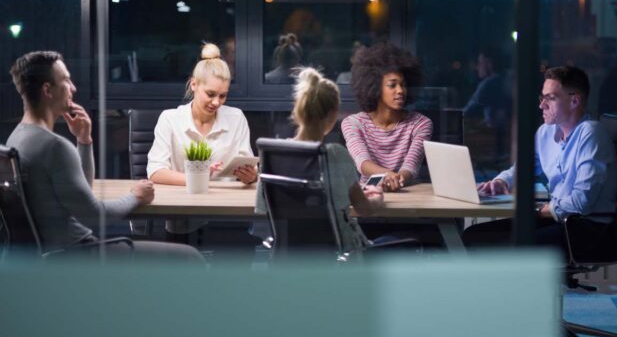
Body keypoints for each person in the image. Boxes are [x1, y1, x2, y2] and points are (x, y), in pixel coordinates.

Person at [6, 51, 203, 262]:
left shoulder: (16, 138)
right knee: (190, 257)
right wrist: (136, 196)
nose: (73, 88)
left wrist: (84, 140)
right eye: (66, 80)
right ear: (47, 90)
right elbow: (93, 215)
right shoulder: (55, 147)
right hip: (79, 254)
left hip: (53, 256)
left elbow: (82, 191)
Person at [462, 65, 617, 252]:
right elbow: (523, 169)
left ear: (574, 101)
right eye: (542, 98)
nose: (541, 105)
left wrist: (538, 211)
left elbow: (580, 202)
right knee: (474, 236)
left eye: (550, 98)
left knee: (500, 245)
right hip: (557, 220)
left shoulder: (591, 133)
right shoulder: (546, 132)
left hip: (586, 228)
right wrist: (501, 181)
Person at [256, 68, 383, 252]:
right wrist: (377, 197)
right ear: (332, 115)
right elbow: (364, 209)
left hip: (289, 260)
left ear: (299, 110)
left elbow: (262, 208)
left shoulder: (272, 154)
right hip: (340, 259)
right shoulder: (335, 155)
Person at [147, 43, 258, 236]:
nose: (216, 102)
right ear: (194, 84)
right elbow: (156, 172)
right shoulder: (170, 119)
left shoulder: (236, 117)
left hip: (229, 217)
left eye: (223, 96)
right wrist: (198, 178)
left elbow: (247, 165)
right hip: (183, 215)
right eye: (211, 94)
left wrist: (251, 177)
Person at [341, 43, 433, 191]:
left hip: (409, 194)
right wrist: (388, 175)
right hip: (371, 196)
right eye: (392, 85)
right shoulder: (353, 123)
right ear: (375, 88)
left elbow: (411, 166)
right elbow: (362, 163)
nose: (400, 91)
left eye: (403, 85)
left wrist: (397, 180)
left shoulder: (421, 124)